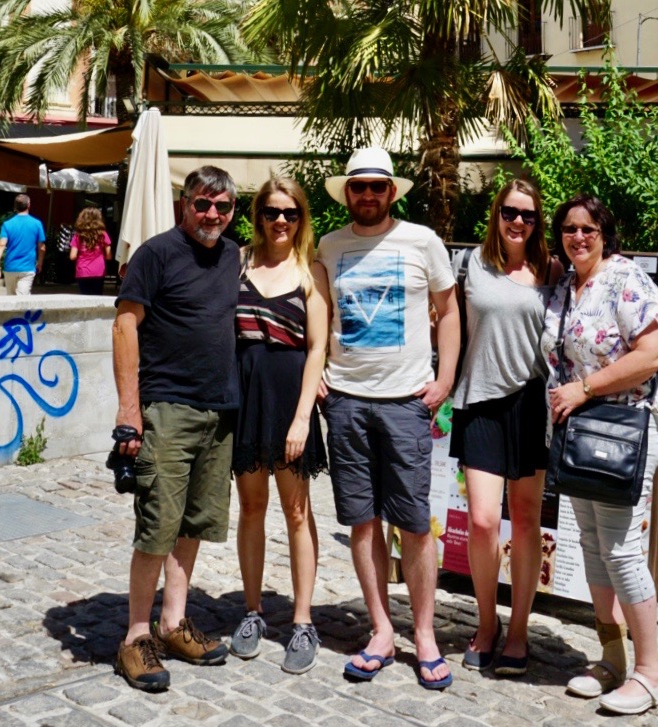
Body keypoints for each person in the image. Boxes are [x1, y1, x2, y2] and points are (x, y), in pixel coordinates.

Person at [314, 147, 459, 691]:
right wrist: (317, 374)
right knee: (362, 519)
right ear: (347, 193)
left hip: (404, 402)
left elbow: (449, 312)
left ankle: (423, 634)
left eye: (378, 186)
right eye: (359, 187)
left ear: (392, 191)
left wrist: (444, 380)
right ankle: (380, 630)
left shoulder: (422, 240)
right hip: (346, 401)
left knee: (415, 523)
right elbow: (318, 313)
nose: (368, 195)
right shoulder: (329, 246)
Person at [542, 194, 658, 716]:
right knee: (593, 544)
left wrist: (587, 388)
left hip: (627, 429)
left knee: (620, 549)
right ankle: (612, 658)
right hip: (581, 433)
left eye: (588, 229)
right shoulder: (568, 287)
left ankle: (651, 673)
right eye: (569, 229)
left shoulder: (626, 280)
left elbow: (654, 352)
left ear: (605, 233)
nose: (578, 237)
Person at [111, 165, 240, 693]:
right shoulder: (156, 254)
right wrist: (129, 410)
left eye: (224, 206)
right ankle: (135, 637)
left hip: (220, 412)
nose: (213, 214)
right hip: (167, 410)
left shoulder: (233, 255)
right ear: (184, 204)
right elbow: (124, 325)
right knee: (157, 526)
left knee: (193, 525)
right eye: (203, 204)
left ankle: (174, 623)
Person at [451, 179, 562, 676]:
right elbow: (445, 321)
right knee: (481, 521)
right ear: (496, 214)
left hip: (530, 405)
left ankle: (518, 629)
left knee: (525, 520)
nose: (519, 222)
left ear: (539, 222)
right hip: (479, 401)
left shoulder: (550, 270)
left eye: (530, 215)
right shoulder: (470, 264)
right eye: (511, 212)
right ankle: (486, 621)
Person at [230, 177, 328, 674]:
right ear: (259, 215)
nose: (281, 221)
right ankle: (252, 612)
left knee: (296, 512)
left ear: (301, 217)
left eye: (290, 212)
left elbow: (316, 349)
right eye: (271, 212)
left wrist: (303, 418)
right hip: (246, 399)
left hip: (290, 399)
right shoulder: (239, 265)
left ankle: (303, 621)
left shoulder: (310, 275)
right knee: (251, 508)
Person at [0, 193, 46, 295]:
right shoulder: (37, 224)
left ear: (15, 207)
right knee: (22, 300)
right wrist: (40, 263)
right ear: (29, 205)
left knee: (11, 299)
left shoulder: (7, 224)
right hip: (27, 267)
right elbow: (42, 247)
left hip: (10, 267)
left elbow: (1, 244)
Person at [69, 206, 112, 295]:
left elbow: (72, 256)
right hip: (99, 270)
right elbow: (108, 256)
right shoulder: (103, 234)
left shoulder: (78, 236)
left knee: (84, 298)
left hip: (83, 270)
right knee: (97, 296)